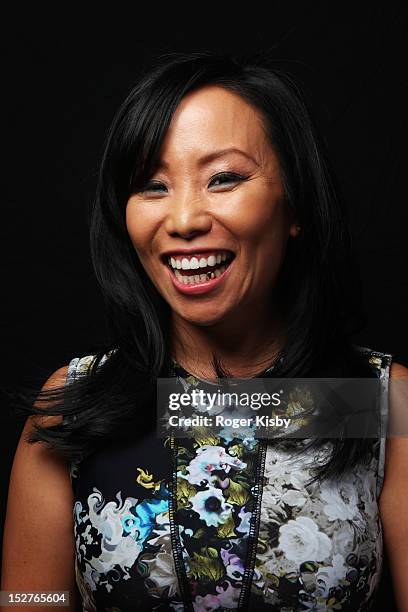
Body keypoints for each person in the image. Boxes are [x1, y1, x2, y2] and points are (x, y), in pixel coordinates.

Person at [2, 51, 408, 612]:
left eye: (224, 178)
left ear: (295, 205)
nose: (185, 219)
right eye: (151, 185)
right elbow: (29, 598)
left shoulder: (382, 402)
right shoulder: (69, 407)